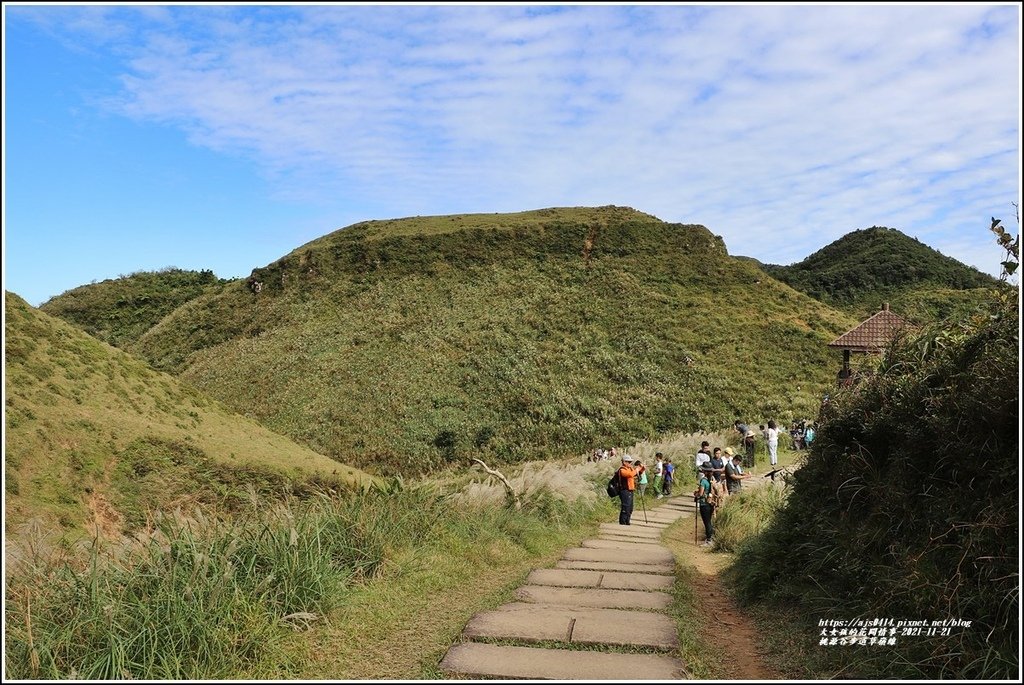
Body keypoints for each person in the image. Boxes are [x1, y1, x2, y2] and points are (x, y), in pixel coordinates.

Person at [616, 455, 638, 525]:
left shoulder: (630, 469)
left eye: (630, 462)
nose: (630, 463)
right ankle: (622, 522)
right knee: (625, 506)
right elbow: (630, 474)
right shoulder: (622, 470)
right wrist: (636, 470)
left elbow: (636, 474)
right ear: (624, 462)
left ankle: (627, 521)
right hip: (624, 490)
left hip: (630, 490)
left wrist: (641, 469)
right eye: (628, 462)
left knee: (630, 507)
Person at [696, 470, 715, 545]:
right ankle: (710, 537)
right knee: (709, 521)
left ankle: (709, 540)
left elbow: (700, 493)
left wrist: (696, 494)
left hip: (704, 503)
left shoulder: (703, 481)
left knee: (706, 522)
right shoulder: (712, 479)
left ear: (705, 472)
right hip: (711, 503)